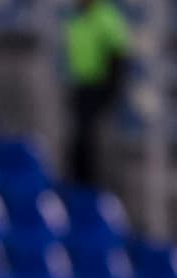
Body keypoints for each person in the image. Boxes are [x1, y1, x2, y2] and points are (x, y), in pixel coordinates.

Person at [64, 0, 130, 185]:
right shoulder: (78, 17)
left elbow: (117, 54)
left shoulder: (105, 16)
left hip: (99, 85)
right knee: (80, 136)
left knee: (91, 137)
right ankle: (78, 182)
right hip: (81, 84)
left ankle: (93, 183)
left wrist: (110, 89)